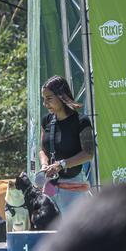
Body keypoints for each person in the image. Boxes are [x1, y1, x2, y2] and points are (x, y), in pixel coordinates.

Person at [38, 75, 95, 214]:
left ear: (61, 96)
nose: (45, 104)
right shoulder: (46, 120)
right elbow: (42, 150)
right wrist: (45, 165)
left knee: (75, 232)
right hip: (50, 187)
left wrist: (61, 164)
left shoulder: (81, 121)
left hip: (74, 186)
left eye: (49, 98)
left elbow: (88, 153)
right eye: (43, 99)